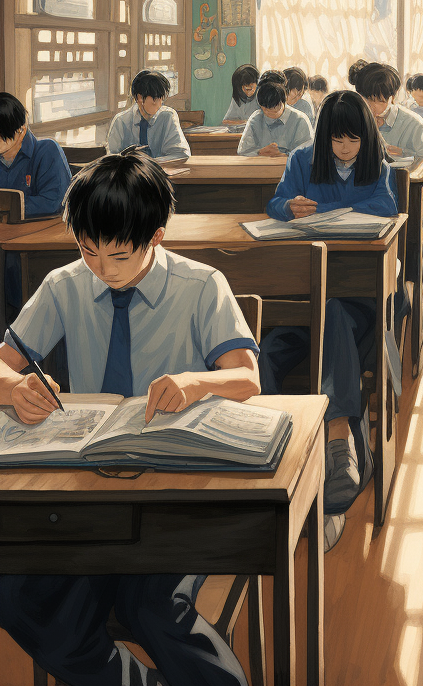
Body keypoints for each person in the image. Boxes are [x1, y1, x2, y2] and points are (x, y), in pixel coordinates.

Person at [0, 150, 259, 686]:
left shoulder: (201, 285)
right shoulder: (65, 284)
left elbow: (247, 379)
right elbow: (3, 361)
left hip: (174, 489)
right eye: (88, 251)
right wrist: (12, 384)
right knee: (19, 594)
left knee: (151, 604)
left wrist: (193, 383)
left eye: (118, 257)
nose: (101, 270)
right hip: (87, 489)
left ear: (156, 237)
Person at [260, 91, 399, 550]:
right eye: (337, 139)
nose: (344, 148)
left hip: (355, 301)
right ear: (324, 136)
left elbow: (386, 207)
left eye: (352, 140)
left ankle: (337, 436)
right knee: (264, 353)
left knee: (334, 310)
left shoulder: (376, 162)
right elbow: (277, 204)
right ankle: (283, 449)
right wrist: (290, 209)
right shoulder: (303, 159)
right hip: (304, 296)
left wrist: (346, 213)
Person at [0, 92, 73, 320]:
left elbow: (54, 201)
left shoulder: (46, 150)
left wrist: (10, 209)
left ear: (21, 128)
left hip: (39, 245)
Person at [353, 63, 423, 158]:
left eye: (380, 101)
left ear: (392, 98)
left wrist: (403, 152)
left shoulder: (413, 122)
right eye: (367, 99)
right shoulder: (353, 117)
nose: (372, 106)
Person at [106, 70, 190, 161]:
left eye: (161, 98)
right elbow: (111, 157)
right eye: (155, 99)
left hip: (160, 172)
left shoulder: (168, 116)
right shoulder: (121, 120)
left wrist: (150, 164)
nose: (159, 103)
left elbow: (182, 153)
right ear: (140, 98)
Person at [236, 79, 313, 157]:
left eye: (276, 109)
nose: (271, 114)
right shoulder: (255, 119)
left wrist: (283, 155)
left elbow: (307, 154)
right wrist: (259, 152)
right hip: (262, 166)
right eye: (266, 110)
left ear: (284, 102)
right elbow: (243, 151)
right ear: (261, 106)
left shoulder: (300, 120)